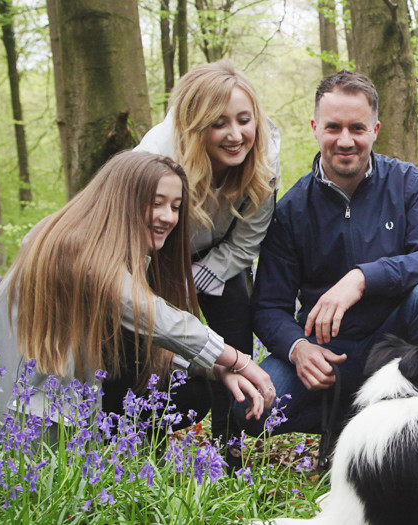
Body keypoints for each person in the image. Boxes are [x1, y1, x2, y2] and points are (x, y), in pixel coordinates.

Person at [0, 152, 276, 438]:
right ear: (120, 200)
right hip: (5, 418)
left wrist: (214, 369)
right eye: (155, 203)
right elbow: (150, 315)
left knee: (189, 387)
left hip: (56, 402)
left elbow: (140, 340)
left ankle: (125, 456)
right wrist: (237, 359)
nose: (167, 217)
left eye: (175, 207)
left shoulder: (114, 249)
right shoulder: (74, 246)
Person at [244, 70, 418, 441]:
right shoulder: (292, 209)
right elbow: (268, 306)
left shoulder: (409, 184)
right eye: (333, 128)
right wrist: (299, 349)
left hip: (400, 345)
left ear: (375, 130)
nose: (345, 140)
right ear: (315, 127)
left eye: (357, 128)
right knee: (256, 408)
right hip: (331, 353)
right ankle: (358, 417)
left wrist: (363, 278)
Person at [134, 60, 280, 446]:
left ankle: (230, 446)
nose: (236, 135)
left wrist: (202, 274)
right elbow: (133, 244)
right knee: (153, 344)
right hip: (156, 255)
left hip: (222, 253)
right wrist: (172, 282)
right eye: (219, 124)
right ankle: (149, 446)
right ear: (195, 126)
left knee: (234, 332)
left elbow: (248, 238)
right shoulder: (154, 157)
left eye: (244, 120)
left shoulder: (265, 159)